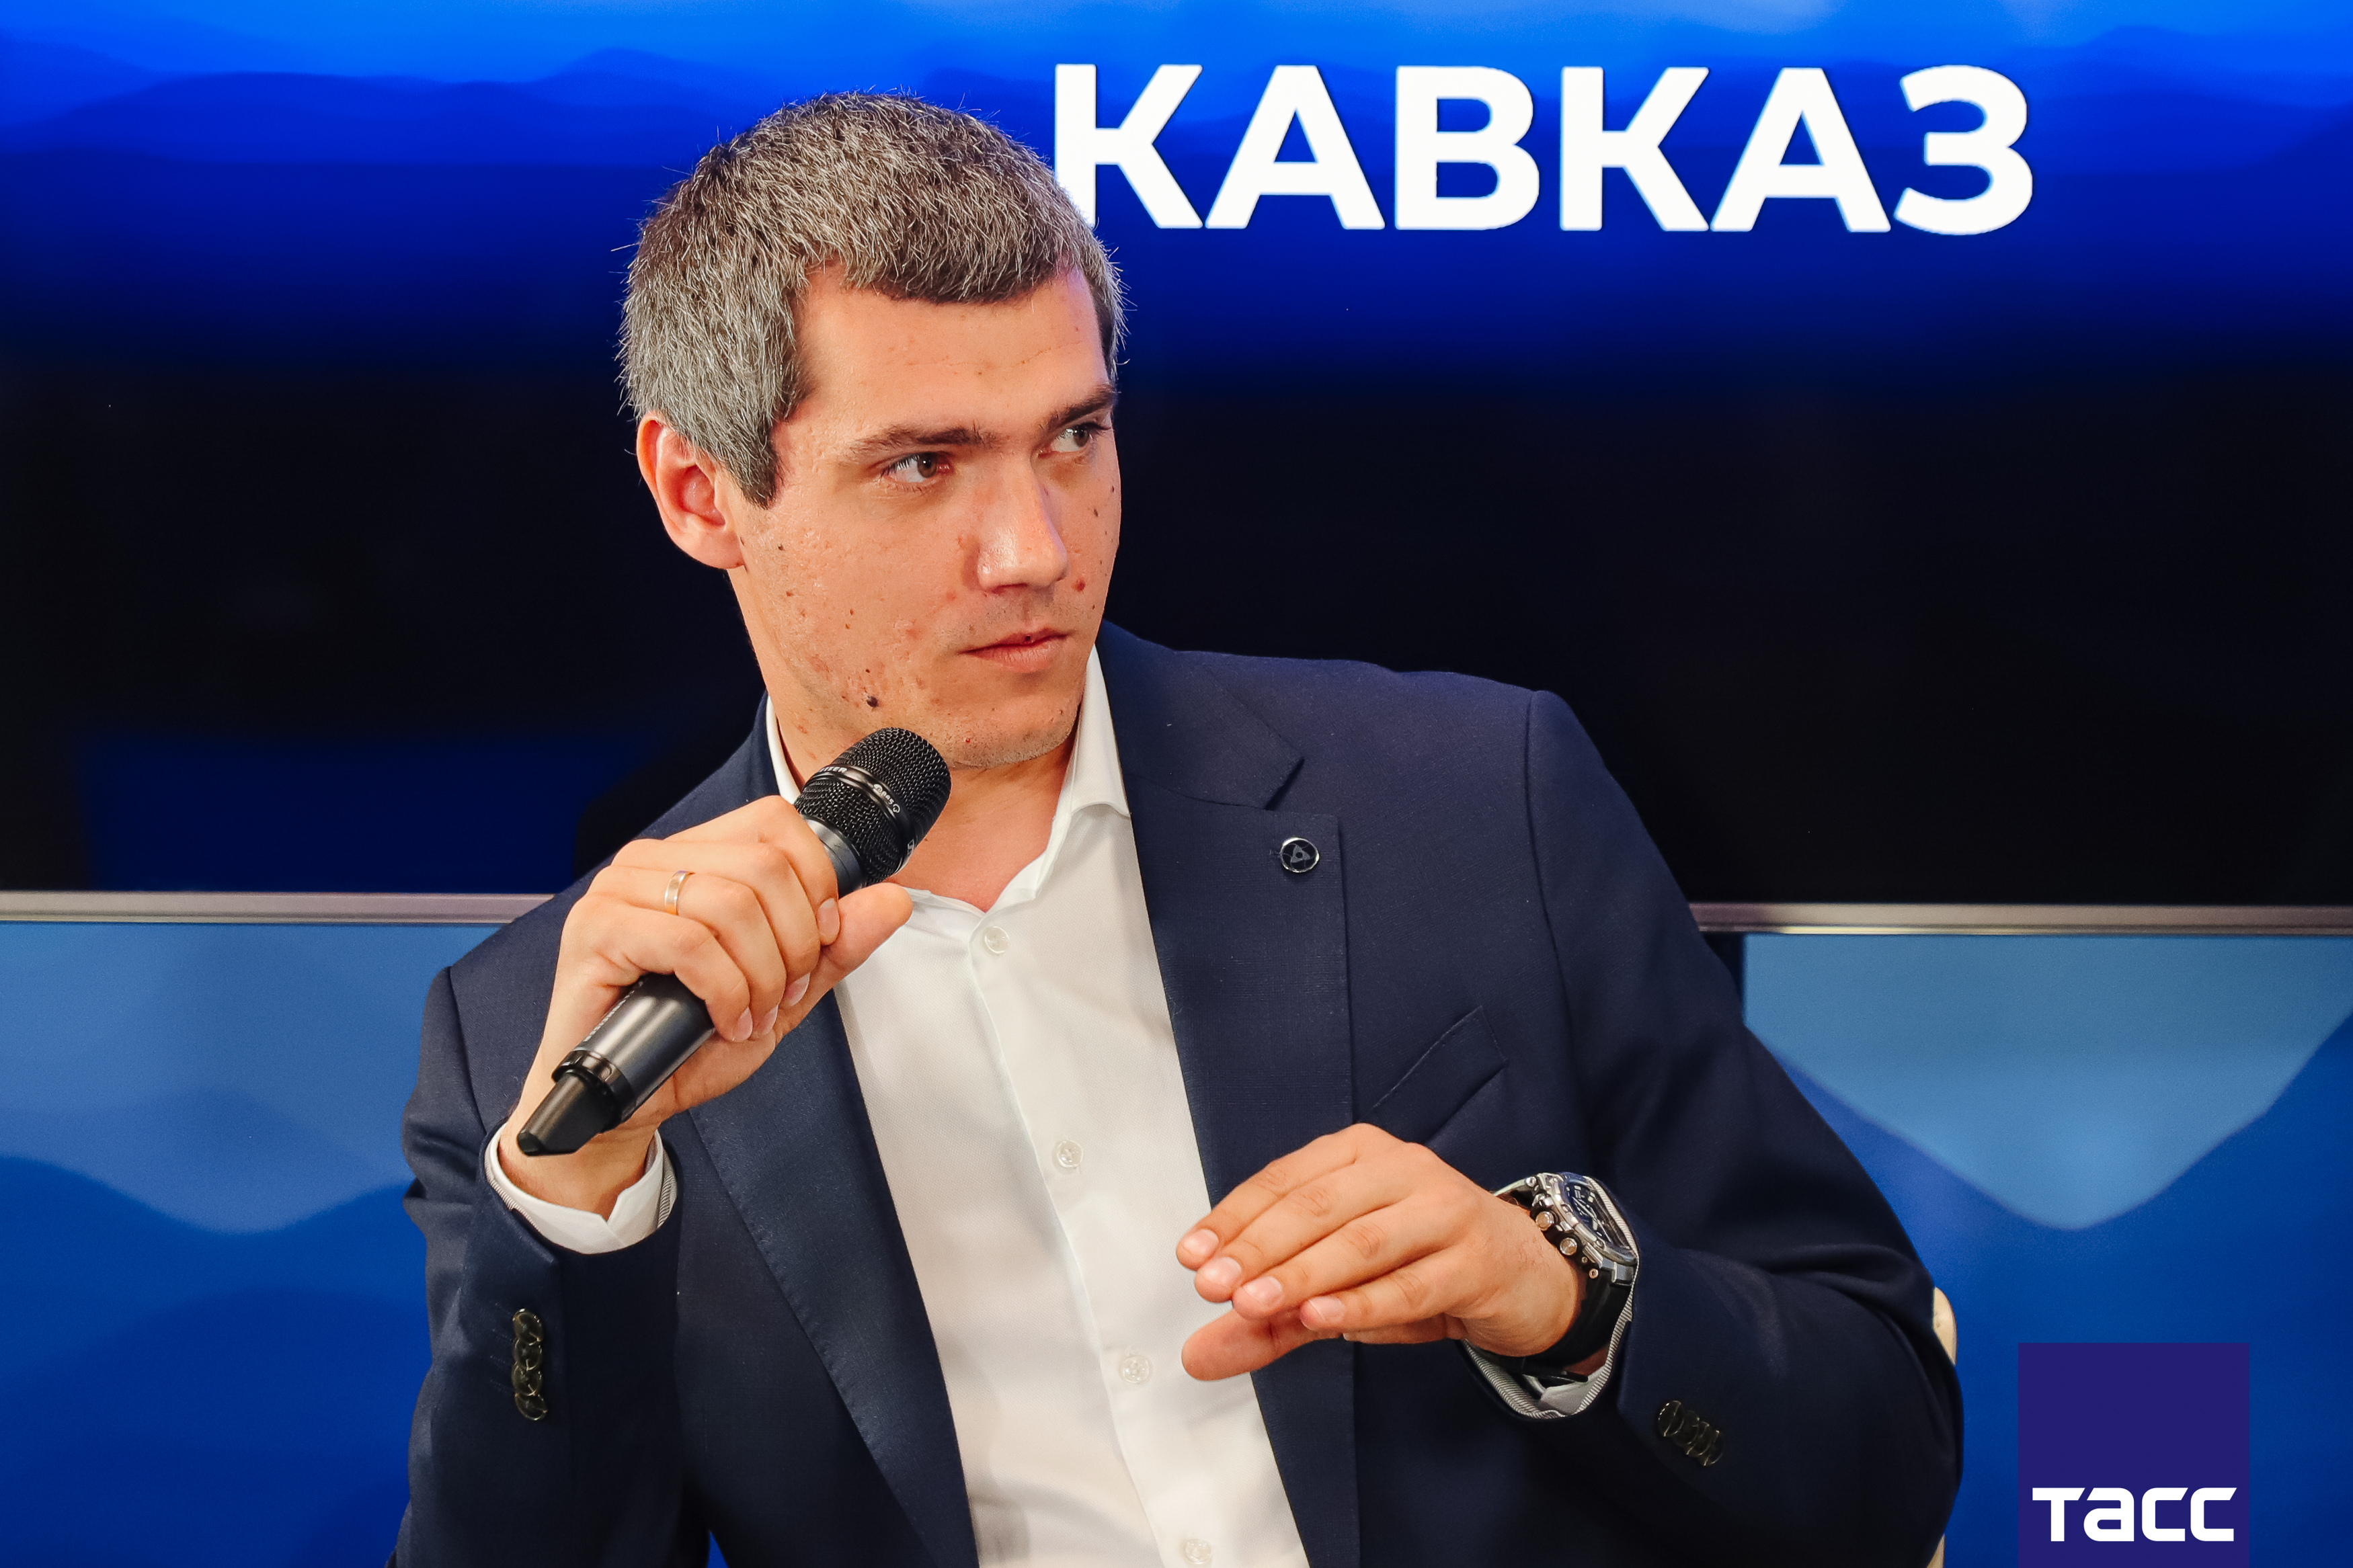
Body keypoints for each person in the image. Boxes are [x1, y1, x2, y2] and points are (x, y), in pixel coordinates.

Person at [397, 93, 1959, 1568]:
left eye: (1072, 436)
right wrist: (579, 1205)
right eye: (925, 465)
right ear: (698, 493)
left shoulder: (1477, 800)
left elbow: (1880, 1448)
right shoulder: (544, 1043)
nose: (1034, 549)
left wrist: (1558, 1296)